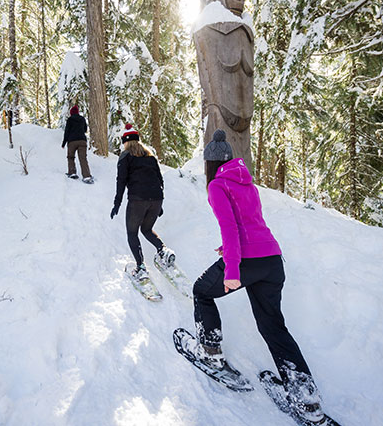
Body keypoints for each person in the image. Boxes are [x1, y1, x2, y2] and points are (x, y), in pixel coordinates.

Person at [186, 129, 323, 423]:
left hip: (248, 262)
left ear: (210, 164)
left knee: (201, 290)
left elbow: (231, 228)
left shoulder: (217, 186)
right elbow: (250, 224)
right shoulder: (247, 183)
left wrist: (233, 270)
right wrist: (228, 250)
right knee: (273, 326)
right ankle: (306, 398)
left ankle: (210, 350)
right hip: (272, 260)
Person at [110, 124, 175, 281]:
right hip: (156, 198)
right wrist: (159, 203)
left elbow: (121, 181)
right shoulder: (150, 157)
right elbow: (159, 179)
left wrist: (117, 202)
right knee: (146, 229)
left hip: (138, 200)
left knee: (132, 233)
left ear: (126, 142)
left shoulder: (125, 157)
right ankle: (163, 250)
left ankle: (140, 267)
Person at [62, 105, 93, 183]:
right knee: (83, 158)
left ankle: (72, 172)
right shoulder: (82, 119)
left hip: (72, 141)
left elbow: (67, 132)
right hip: (82, 141)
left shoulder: (69, 120)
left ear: (71, 113)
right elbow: (85, 129)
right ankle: (87, 176)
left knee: (71, 157)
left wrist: (64, 143)